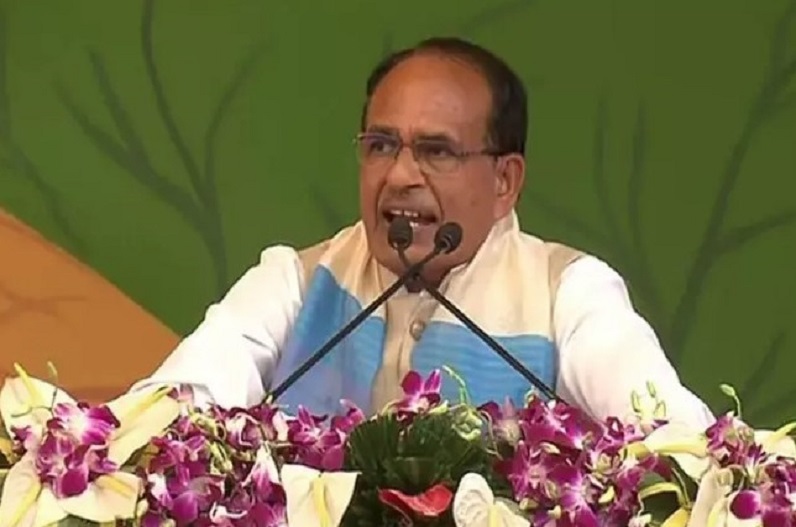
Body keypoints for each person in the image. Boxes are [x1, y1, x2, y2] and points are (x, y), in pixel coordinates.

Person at [131, 37, 714, 428]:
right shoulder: (295, 282)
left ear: (505, 181)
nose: (400, 176)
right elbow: (164, 416)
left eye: (437, 151)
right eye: (381, 146)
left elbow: (673, 438)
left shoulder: (567, 293)